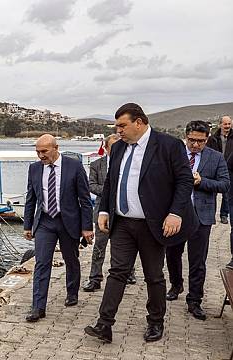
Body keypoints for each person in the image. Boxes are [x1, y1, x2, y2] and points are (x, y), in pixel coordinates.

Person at [84, 103, 197, 343]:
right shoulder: (117, 149)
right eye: (116, 126)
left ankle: (155, 322)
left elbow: (184, 181)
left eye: (122, 125)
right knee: (117, 272)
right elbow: (110, 184)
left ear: (139, 122)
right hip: (123, 223)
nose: (119, 131)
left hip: (153, 223)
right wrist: (104, 209)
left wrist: (175, 213)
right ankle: (104, 324)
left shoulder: (168, 146)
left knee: (153, 275)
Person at [23, 134, 94, 322]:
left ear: (56, 148)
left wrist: (87, 227)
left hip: (68, 221)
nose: (40, 156)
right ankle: (38, 307)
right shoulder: (34, 169)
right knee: (42, 263)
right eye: (37, 152)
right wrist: (27, 225)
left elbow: (85, 200)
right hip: (45, 222)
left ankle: (72, 292)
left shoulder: (75, 167)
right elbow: (31, 199)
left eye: (44, 151)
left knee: (71, 259)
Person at [165, 120, 229, 320]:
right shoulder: (175, 154)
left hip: (202, 216)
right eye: (191, 140)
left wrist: (202, 182)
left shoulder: (216, 157)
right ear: (186, 136)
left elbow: (225, 184)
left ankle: (194, 300)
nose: (195, 145)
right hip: (176, 214)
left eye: (200, 141)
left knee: (198, 260)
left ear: (207, 139)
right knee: (173, 254)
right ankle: (176, 284)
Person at [83, 134, 137, 292]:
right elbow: (91, 185)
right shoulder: (96, 165)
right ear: (105, 148)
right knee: (99, 245)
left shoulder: (129, 163)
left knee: (126, 245)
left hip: (123, 212)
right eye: (113, 147)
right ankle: (95, 278)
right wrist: (110, 191)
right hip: (102, 211)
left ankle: (129, 273)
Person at [205, 115, 232, 224]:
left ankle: (224, 215)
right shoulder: (213, 139)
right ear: (220, 124)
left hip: (229, 169)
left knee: (227, 194)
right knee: (212, 193)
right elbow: (207, 152)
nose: (227, 126)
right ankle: (210, 215)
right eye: (225, 124)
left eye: (229, 124)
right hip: (214, 168)